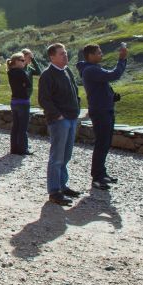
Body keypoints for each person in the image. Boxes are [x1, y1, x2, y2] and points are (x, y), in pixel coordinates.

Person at [77, 43, 128, 190]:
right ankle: (97, 177)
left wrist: (111, 96)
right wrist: (122, 59)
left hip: (105, 108)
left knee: (105, 143)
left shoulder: (94, 68)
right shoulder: (90, 70)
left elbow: (102, 85)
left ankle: (102, 173)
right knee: (101, 143)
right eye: (99, 53)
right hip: (100, 111)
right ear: (90, 55)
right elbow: (114, 74)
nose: (101, 55)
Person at [38, 43, 82, 206]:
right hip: (60, 121)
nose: (66, 56)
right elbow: (44, 99)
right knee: (56, 156)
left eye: (65, 53)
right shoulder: (47, 75)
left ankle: (62, 185)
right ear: (52, 57)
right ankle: (54, 191)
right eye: (62, 54)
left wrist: (77, 107)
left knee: (66, 154)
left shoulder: (67, 71)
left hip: (71, 118)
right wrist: (58, 115)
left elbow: (75, 91)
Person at [6, 53, 34, 156]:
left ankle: (14, 148)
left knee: (15, 126)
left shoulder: (10, 72)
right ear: (16, 61)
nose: (24, 62)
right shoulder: (21, 72)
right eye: (22, 60)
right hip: (23, 101)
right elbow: (28, 84)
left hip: (14, 101)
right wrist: (23, 84)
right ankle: (23, 149)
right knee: (23, 127)